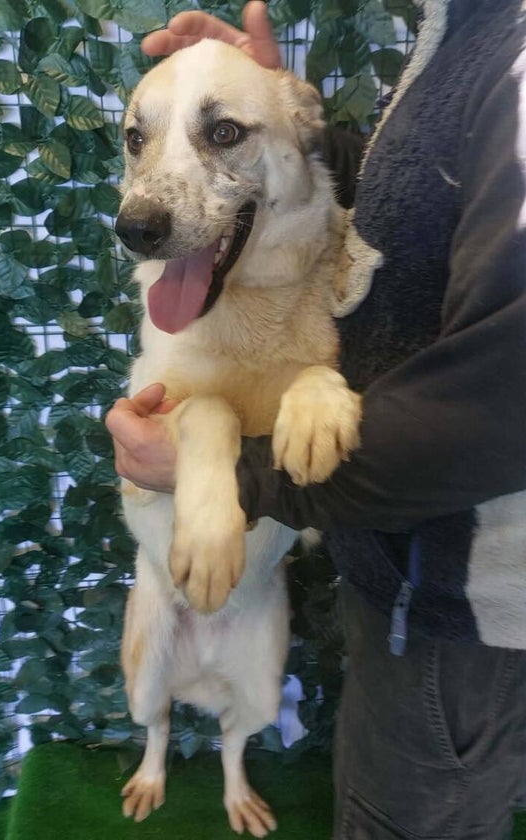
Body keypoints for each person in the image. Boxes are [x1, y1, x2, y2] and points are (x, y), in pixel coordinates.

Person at [105, 1, 526, 837]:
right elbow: (415, 201)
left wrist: (237, 473)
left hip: (455, 592)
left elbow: (502, 403)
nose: (137, 211)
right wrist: (282, 127)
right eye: (135, 139)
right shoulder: (465, 24)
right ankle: (157, 752)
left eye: (223, 133)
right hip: (392, 567)